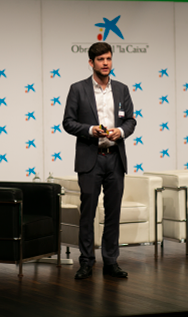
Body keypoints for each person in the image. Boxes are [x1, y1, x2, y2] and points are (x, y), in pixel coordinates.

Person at [63, 42, 136, 279]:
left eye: (108, 59)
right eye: (100, 60)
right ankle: (86, 262)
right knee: (88, 214)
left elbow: (131, 121)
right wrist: (90, 130)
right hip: (90, 159)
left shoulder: (122, 89)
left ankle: (111, 262)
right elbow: (68, 122)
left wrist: (120, 132)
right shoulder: (78, 89)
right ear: (91, 63)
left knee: (113, 213)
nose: (105, 63)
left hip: (115, 159)